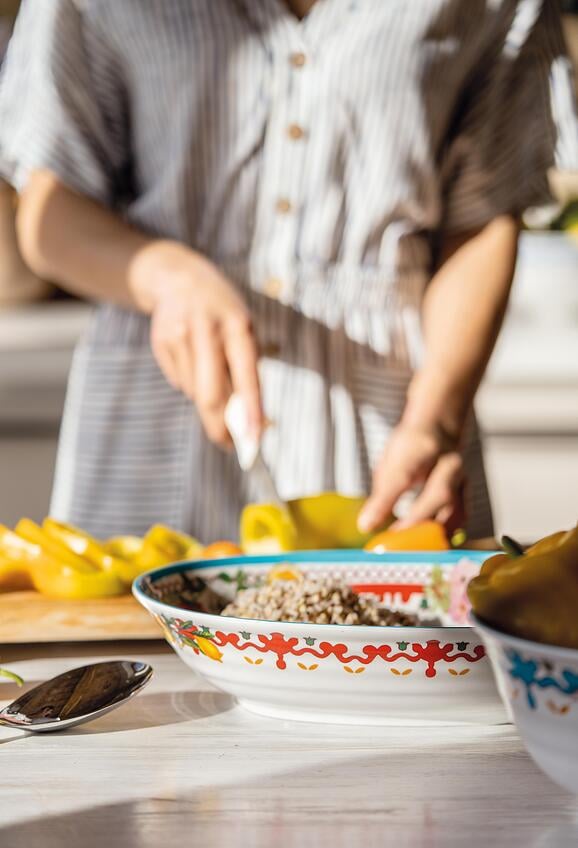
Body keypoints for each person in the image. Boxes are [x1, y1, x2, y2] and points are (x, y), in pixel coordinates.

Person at [0, 0, 575, 542]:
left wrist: (436, 419)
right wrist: (165, 276)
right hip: (153, 405)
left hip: (394, 417)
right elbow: (51, 211)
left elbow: (481, 220)